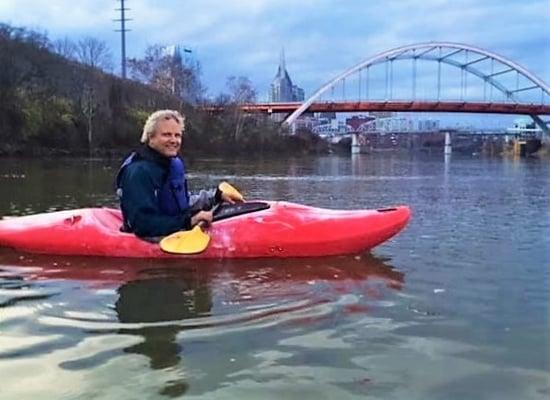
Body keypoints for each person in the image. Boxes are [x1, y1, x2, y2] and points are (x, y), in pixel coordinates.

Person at [116, 109, 240, 238]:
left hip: (174, 228)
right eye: (166, 135)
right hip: (151, 237)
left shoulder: (172, 163)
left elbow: (182, 203)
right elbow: (143, 225)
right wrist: (189, 221)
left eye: (177, 135)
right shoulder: (138, 172)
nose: (174, 140)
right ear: (150, 137)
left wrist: (215, 197)